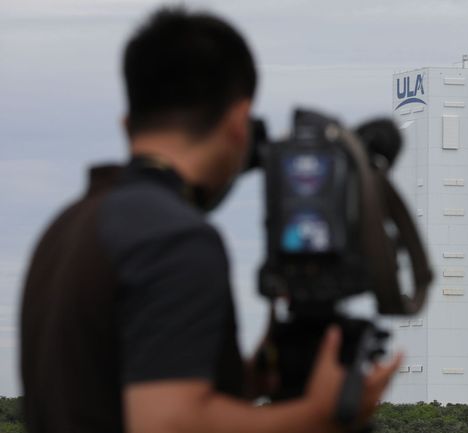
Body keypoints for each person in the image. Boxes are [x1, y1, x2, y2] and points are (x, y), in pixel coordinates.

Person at [19, 7, 400, 433]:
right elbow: (165, 423)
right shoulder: (174, 239)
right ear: (239, 122)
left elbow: (107, 395)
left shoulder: (66, 228)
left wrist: (247, 376)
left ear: (128, 125)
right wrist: (315, 417)